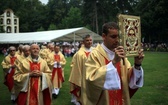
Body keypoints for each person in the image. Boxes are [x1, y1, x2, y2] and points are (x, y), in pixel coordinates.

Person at [84, 22, 144, 105]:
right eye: (113, 37)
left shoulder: (121, 55)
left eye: (119, 37)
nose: (117, 40)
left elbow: (128, 78)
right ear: (104, 36)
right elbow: (91, 79)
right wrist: (114, 62)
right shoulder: (95, 54)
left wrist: (137, 64)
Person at [69, 34, 93, 105]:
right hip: (83, 77)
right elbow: (76, 67)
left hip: (93, 75)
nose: (89, 42)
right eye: (87, 40)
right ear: (83, 42)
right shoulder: (79, 54)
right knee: (83, 94)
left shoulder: (95, 51)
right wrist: (77, 80)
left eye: (90, 40)